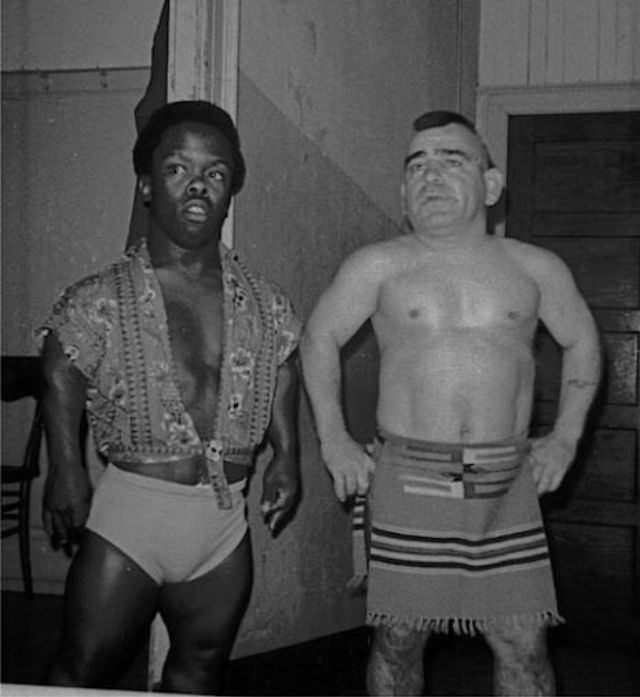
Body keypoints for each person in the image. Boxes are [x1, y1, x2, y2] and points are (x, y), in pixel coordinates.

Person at [300, 110, 601, 696]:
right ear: (402, 192)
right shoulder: (379, 265)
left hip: (504, 479)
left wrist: (565, 436)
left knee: (522, 638)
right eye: (417, 166)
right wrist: (333, 438)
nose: (430, 176)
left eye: (451, 160)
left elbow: (583, 342)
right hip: (408, 475)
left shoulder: (534, 267)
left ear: (490, 186)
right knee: (399, 636)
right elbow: (319, 338)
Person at [38, 100, 301, 694]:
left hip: (223, 522)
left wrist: (288, 454)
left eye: (215, 172)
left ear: (231, 187)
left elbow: (284, 365)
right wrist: (66, 467)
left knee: (200, 670)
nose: (198, 185)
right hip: (131, 516)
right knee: (82, 668)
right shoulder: (101, 295)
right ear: (147, 183)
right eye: (178, 168)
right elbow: (61, 367)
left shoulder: (264, 301)